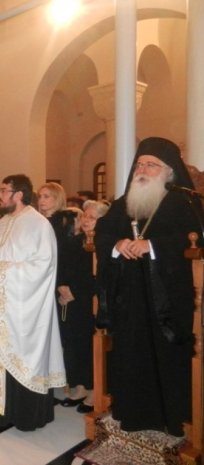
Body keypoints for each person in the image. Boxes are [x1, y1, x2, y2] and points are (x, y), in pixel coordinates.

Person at [95, 137, 201, 436]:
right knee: (130, 353)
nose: (142, 170)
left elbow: (194, 239)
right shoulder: (124, 203)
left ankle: (174, 418)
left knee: (167, 356)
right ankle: (133, 413)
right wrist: (117, 244)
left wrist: (151, 245)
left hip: (167, 298)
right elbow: (102, 233)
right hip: (129, 296)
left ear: (169, 171)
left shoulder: (184, 202)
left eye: (151, 165)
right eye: (139, 164)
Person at [0, 174, 66, 431]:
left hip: (23, 308)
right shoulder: (1, 223)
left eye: (4, 191)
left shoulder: (39, 224)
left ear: (18, 194)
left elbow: (43, 266)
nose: (0, 195)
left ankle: (25, 415)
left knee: (20, 357)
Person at [59, 200, 109, 413]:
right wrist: (61, 286)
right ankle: (80, 385)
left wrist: (75, 292)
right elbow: (61, 265)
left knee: (88, 344)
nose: (86, 220)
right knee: (73, 344)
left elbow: (99, 277)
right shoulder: (75, 240)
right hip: (69, 301)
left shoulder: (105, 243)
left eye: (92, 217)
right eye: (84, 216)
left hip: (90, 302)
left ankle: (94, 388)